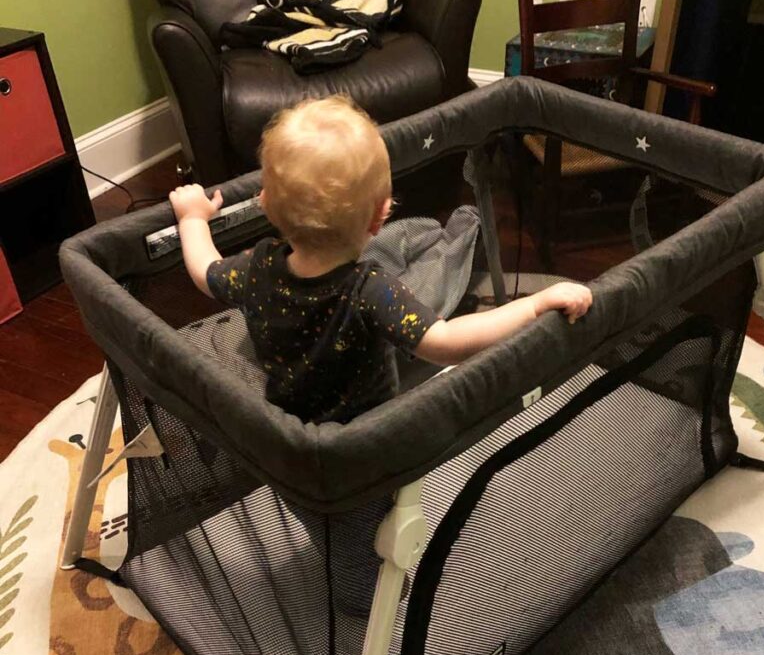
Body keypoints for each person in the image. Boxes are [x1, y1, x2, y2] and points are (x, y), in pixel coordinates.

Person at [170, 95, 592, 424]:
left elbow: (204, 271)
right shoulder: (370, 290)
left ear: (263, 203)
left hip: (289, 430)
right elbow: (446, 343)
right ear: (380, 215)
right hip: (369, 443)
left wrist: (191, 218)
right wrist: (533, 305)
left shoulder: (255, 269)